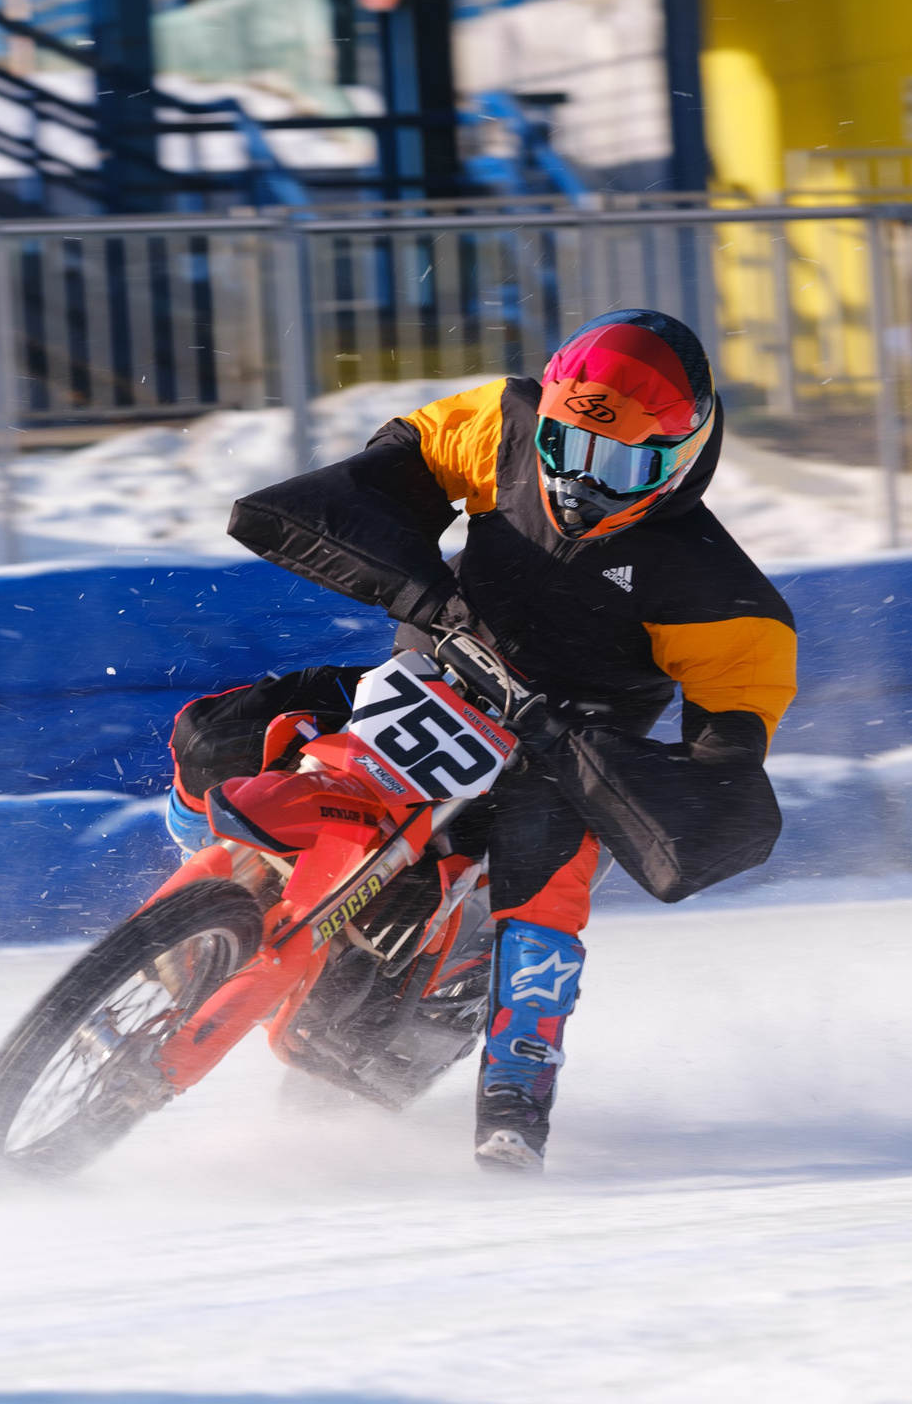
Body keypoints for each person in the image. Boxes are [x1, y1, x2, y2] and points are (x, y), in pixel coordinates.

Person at [219, 309, 798, 1173]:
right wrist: (421, 593)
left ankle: (515, 1100)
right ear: (548, 419)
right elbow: (388, 468)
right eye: (569, 447)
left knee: (545, 888)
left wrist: (593, 755)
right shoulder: (504, 423)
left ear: (680, 456)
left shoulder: (730, 601)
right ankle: (198, 904)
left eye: (621, 464)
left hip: (560, 754)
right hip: (432, 672)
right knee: (222, 727)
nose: (583, 483)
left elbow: (725, 767)